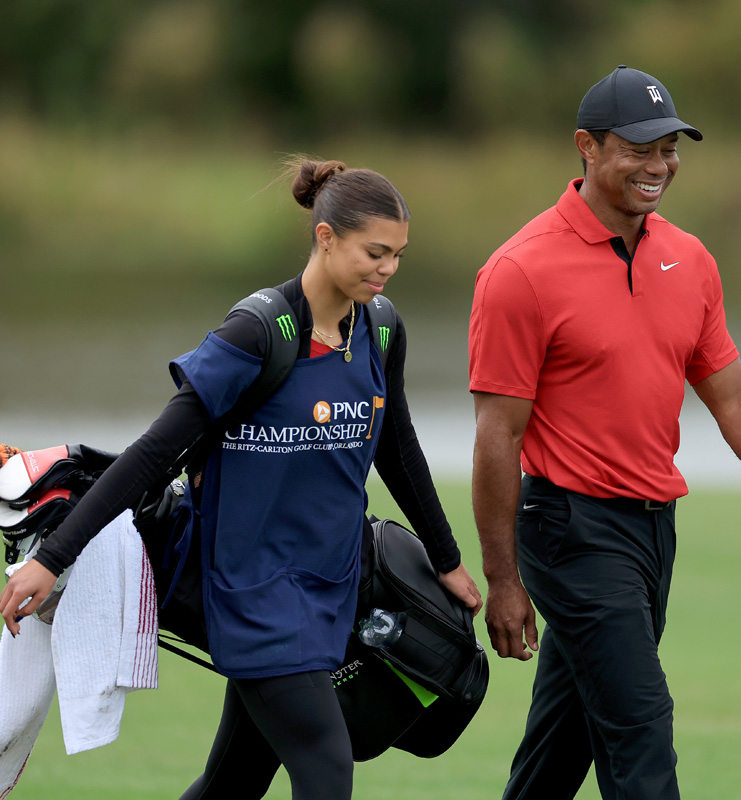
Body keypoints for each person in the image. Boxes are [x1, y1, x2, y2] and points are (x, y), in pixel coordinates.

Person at [0, 158, 481, 800]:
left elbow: (396, 446)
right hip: (251, 592)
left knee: (234, 782)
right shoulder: (258, 333)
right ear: (326, 237)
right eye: (374, 252)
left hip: (333, 586)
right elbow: (152, 455)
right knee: (326, 769)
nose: (387, 269)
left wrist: (446, 559)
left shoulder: (381, 329)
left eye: (397, 254)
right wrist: (54, 560)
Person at [468, 64, 741, 800]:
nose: (659, 166)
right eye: (639, 149)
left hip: (653, 531)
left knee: (566, 735)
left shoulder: (690, 259)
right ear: (586, 146)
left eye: (670, 148)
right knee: (641, 733)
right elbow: (497, 438)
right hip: (569, 529)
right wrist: (502, 579)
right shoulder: (519, 271)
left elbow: (735, 398)